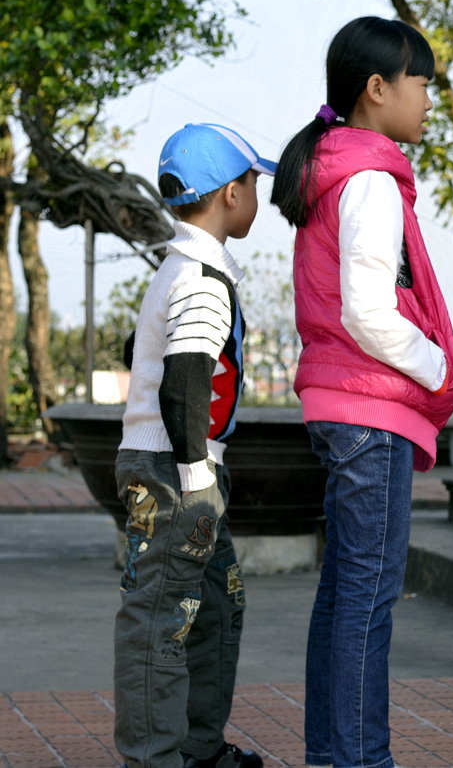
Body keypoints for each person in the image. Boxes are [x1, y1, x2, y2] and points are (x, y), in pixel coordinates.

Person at [270, 16, 453, 768]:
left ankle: (334, 754)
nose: (428, 99)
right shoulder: (371, 179)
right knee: (367, 597)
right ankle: (357, 760)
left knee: (345, 594)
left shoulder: (335, 166)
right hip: (370, 409)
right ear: (378, 89)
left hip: (341, 403)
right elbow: (368, 311)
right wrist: (440, 370)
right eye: (422, 82)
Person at [115, 122, 275, 768]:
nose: (256, 196)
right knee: (161, 618)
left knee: (214, 604)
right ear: (232, 193)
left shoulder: (181, 268)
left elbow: (144, 356)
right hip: (174, 471)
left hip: (178, 465)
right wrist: (195, 479)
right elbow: (184, 381)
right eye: (255, 183)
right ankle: (156, 758)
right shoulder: (202, 278)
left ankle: (198, 748)